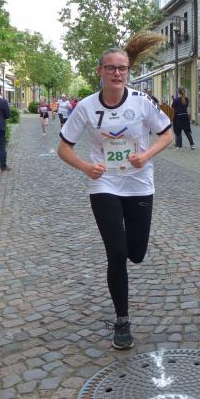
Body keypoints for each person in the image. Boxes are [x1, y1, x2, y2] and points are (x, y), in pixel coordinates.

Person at [58, 32, 172, 349]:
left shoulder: (142, 102)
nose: (117, 73)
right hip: (104, 183)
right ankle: (122, 321)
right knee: (117, 253)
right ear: (100, 72)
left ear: (128, 71)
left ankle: (132, 257)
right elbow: (63, 147)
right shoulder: (86, 107)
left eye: (122, 68)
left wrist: (146, 156)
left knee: (136, 253)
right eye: (111, 68)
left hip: (139, 183)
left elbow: (167, 134)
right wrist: (85, 167)